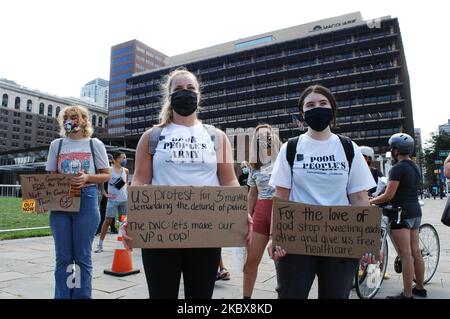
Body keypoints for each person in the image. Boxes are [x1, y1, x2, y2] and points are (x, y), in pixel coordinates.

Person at [121, 68, 252, 299]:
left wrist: (241, 212)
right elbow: (141, 180)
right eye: (179, 89)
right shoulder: (152, 136)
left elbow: (229, 179)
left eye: (191, 88)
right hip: (160, 233)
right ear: (169, 97)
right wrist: (133, 217)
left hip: (206, 232)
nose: (186, 93)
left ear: (199, 95)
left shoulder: (216, 136)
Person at [267, 84, 376, 299]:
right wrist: (275, 236)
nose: (317, 108)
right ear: (303, 113)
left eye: (323, 103)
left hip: (340, 240)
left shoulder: (348, 147)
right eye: (310, 105)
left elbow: (359, 198)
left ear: (332, 108)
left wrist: (368, 240)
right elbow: (281, 196)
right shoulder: (290, 147)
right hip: (296, 240)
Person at [45, 105, 110, 299]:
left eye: (75, 117)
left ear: (84, 120)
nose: (71, 120)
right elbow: (52, 175)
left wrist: (88, 178)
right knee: (63, 257)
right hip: (61, 200)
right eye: (67, 117)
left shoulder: (94, 144)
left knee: (82, 257)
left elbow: (105, 175)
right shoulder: (56, 145)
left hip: (87, 199)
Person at [370, 133, 426, 299]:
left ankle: (407, 294)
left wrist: (371, 200)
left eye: (392, 148)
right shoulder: (414, 166)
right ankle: (420, 289)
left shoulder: (397, 168)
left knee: (405, 255)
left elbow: (388, 195)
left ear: (396, 150)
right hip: (415, 211)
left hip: (401, 214)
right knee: (416, 252)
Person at [243, 124, 281, 299]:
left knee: (281, 263)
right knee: (250, 262)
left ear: (273, 137)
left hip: (281, 212)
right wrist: (245, 216)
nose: (263, 139)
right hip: (261, 213)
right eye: (258, 136)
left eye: (266, 135)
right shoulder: (255, 165)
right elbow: (252, 193)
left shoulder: (283, 158)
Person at [95, 151, 129, 253]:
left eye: (125, 157)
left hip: (124, 200)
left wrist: (127, 189)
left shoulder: (126, 171)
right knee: (107, 221)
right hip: (112, 201)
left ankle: (124, 244)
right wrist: (105, 193)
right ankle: (100, 244)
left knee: (124, 222)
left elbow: (126, 182)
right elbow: (101, 182)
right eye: (123, 158)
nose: (124, 160)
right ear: (116, 159)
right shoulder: (109, 170)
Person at [96, 154, 117, 236]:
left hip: (112, 193)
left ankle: (112, 227)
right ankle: (99, 228)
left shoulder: (114, 170)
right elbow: (101, 184)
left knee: (112, 210)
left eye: (110, 161)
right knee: (102, 210)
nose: (109, 163)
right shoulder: (102, 170)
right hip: (104, 193)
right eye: (107, 161)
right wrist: (105, 193)